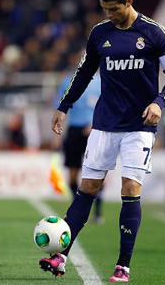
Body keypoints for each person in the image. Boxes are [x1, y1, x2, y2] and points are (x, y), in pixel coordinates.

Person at [40, 0, 165, 283]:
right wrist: (63, 107)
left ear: (129, 3)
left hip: (139, 127)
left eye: (113, 9)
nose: (108, 15)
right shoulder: (100, 34)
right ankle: (60, 256)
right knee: (87, 189)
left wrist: (159, 101)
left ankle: (123, 265)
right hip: (104, 124)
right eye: (104, 9)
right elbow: (83, 73)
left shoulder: (154, 32)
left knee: (130, 190)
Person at [52, 70, 103, 222]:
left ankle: (98, 212)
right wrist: (56, 135)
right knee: (73, 173)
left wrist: (96, 123)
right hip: (74, 129)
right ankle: (76, 208)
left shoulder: (103, 80)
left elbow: (108, 104)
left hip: (94, 130)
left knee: (97, 173)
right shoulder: (68, 81)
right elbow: (59, 106)